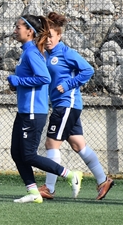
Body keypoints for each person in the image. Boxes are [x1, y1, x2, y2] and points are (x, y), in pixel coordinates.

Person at [38, 12, 113, 201]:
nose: (47, 40)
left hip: (67, 105)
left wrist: (69, 84)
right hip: (62, 105)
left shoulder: (65, 52)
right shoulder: (46, 54)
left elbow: (88, 70)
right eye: (44, 36)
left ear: (59, 36)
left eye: (51, 37)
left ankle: (49, 188)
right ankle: (103, 180)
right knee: (78, 144)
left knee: (51, 144)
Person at [9, 15, 83, 204]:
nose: (15, 30)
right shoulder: (26, 51)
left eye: (18, 27)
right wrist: (17, 84)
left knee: (28, 154)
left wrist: (19, 81)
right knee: (17, 153)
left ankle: (69, 174)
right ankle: (33, 192)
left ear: (29, 31)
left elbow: (44, 78)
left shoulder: (32, 52)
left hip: (34, 112)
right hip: (25, 110)